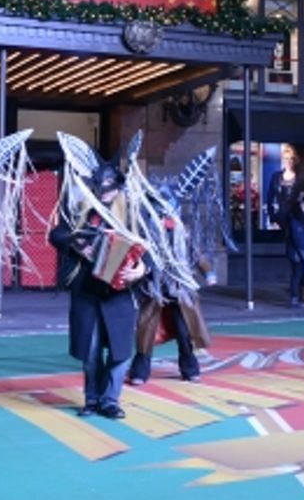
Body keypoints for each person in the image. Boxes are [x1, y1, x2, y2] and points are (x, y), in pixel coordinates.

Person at [50, 162, 150, 419]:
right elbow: (56, 235)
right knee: (91, 351)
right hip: (87, 291)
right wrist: (77, 243)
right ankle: (92, 399)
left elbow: (155, 249)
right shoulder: (81, 210)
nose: (104, 193)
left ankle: (110, 400)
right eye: (99, 188)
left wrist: (141, 270)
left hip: (119, 293)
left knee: (120, 352)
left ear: (118, 188)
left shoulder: (133, 214)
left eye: (109, 188)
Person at [130, 215, 213, 385]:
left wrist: (208, 272)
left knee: (184, 331)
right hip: (154, 288)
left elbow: (196, 253)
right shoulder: (146, 231)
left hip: (180, 289)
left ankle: (190, 368)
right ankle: (140, 370)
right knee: (146, 330)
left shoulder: (182, 230)